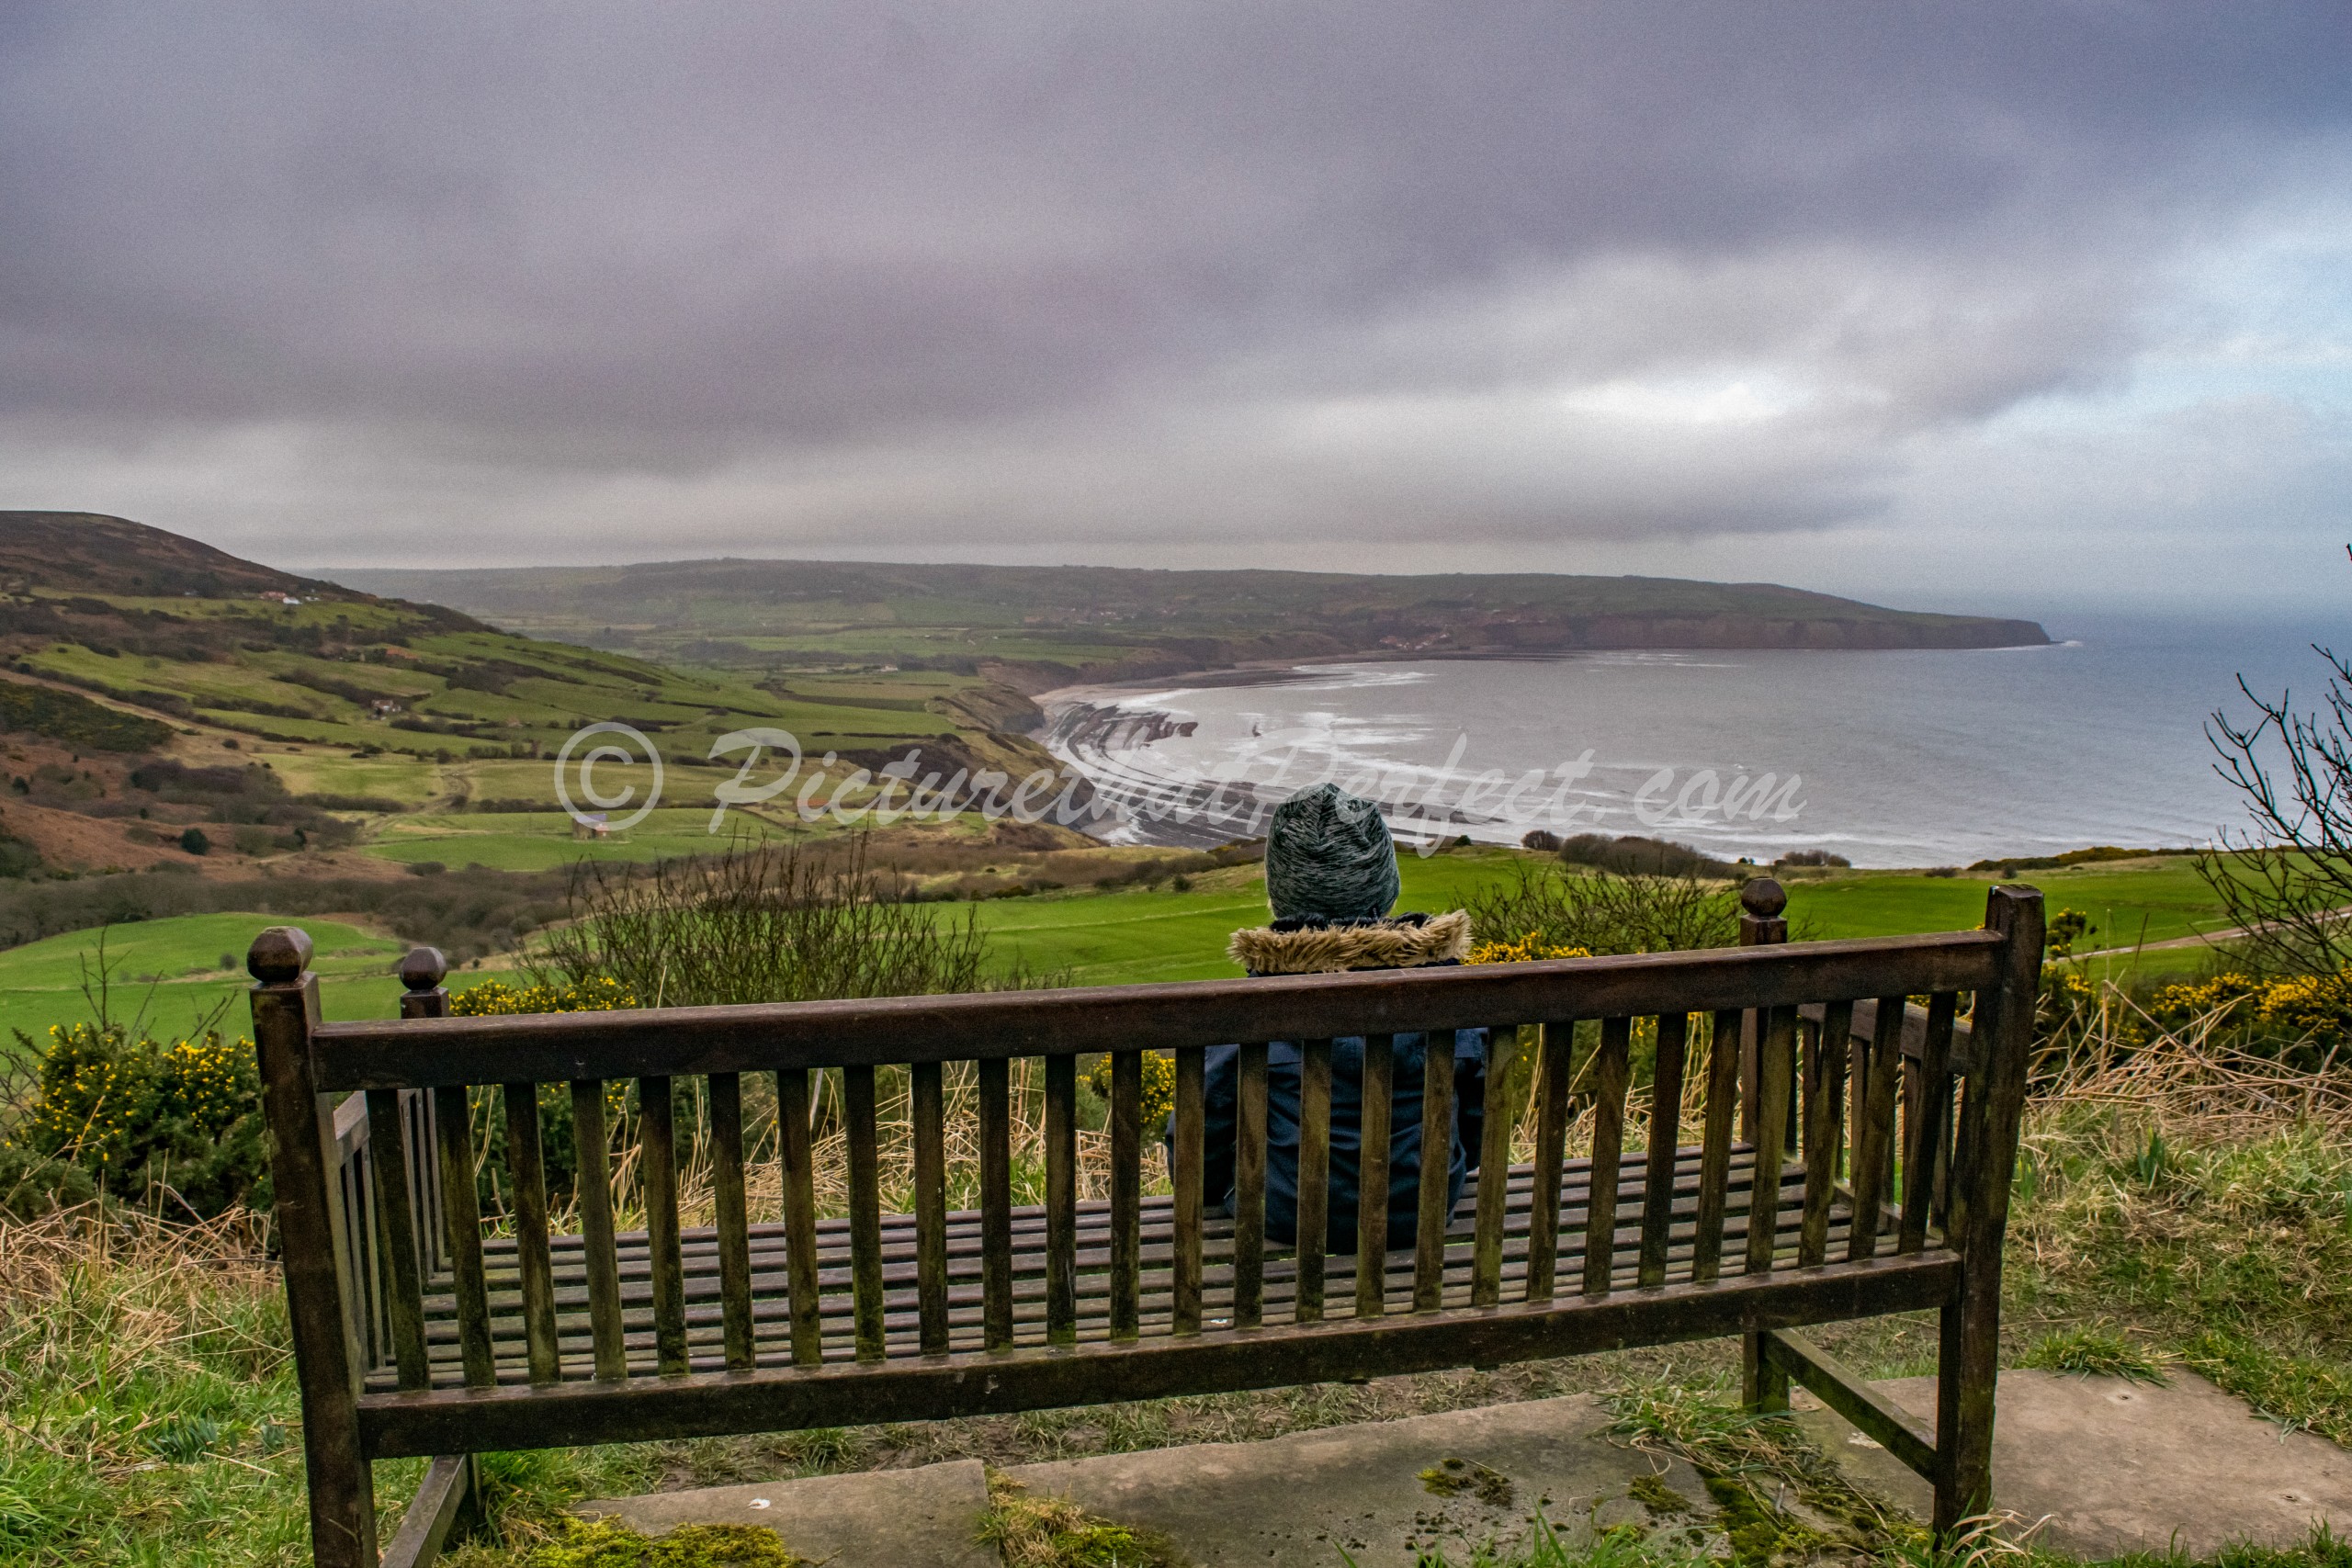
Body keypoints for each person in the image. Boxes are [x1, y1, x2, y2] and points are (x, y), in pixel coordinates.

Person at [1193, 783, 1486, 1252]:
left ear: (1280, 895)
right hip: (1422, 1212)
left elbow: (1199, 1139)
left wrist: (1220, 1192)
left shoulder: (1249, 1007)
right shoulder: (1454, 995)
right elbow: (1476, 1125)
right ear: (1386, 888)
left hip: (1284, 1216)